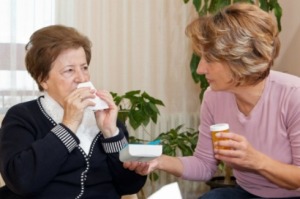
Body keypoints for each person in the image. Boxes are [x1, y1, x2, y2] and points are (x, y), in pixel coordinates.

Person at [124, 3, 300, 199]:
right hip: (246, 193)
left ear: (239, 60)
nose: (200, 69)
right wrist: (159, 161)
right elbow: (205, 164)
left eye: (209, 59)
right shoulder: (214, 96)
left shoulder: (293, 96)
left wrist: (256, 160)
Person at [0, 25, 146, 199]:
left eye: (84, 68)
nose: (82, 78)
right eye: (69, 70)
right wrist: (68, 126)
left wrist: (111, 133)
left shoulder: (104, 117)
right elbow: (21, 182)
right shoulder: (22, 116)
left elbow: (130, 185)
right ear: (43, 79)